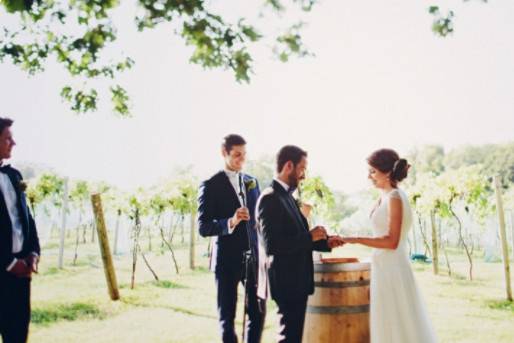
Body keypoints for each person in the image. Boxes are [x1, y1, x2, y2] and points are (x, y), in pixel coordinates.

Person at [338, 148, 437, 343]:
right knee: (386, 324)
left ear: (387, 172)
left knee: (396, 324)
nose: (369, 176)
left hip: (392, 269)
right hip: (383, 267)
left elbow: (391, 242)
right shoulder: (385, 196)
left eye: (373, 171)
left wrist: (354, 239)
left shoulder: (395, 197)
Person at [256, 145, 342, 343]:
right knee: (289, 337)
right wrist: (310, 237)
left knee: (295, 336)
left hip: (297, 281)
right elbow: (273, 245)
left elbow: (299, 237)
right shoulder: (270, 198)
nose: (304, 175)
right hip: (287, 282)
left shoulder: (287, 197)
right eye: (302, 168)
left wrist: (326, 243)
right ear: (288, 166)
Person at [197, 134, 265, 343]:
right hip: (226, 261)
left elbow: (260, 219)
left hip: (252, 259)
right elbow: (203, 227)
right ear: (223, 153)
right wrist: (231, 221)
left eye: (244, 155)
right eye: (237, 155)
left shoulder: (251, 181)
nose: (241, 159)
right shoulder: (210, 184)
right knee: (227, 317)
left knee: (258, 312)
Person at [0, 117, 41, 343]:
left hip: (20, 276)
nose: (13, 143)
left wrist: (33, 253)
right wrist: (8, 263)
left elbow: (27, 218)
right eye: (8, 138)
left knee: (17, 335)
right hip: (3, 269)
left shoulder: (14, 175)